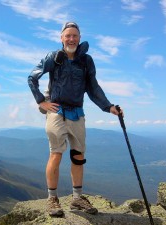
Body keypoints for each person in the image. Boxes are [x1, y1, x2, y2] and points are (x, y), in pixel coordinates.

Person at [28, 22, 123, 217]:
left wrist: (109, 107)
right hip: (57, 110)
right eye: (68, 35)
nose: (71, 39)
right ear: (61, 38)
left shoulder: (86, 61)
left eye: (75, 36)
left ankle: (77, 198)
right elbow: (32, 77)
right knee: (56, 153)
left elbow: (93, 88)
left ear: (79, 38)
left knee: (78, 155)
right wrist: (41, 102)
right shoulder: (53, 58)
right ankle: (52, 199)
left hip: (77, 112)